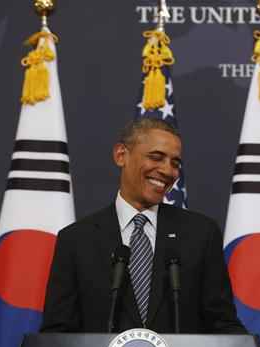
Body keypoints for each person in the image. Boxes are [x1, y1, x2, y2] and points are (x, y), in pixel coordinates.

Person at [42, 117, 246, 334]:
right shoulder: (76, 240)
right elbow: (57, 334)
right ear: (121, 155)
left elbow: (222, 322)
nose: (168, 171)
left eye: (175, 163)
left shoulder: (201, 234)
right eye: (156, 157)